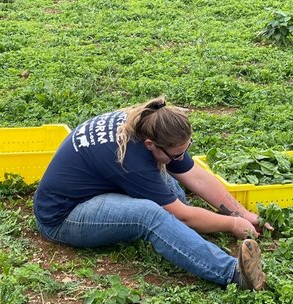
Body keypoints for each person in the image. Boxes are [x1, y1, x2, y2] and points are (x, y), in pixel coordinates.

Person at [33, 97, 273, 290]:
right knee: (151, 215)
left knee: (172, 192)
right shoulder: (132, 159)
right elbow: (183, 215)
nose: (180, 158)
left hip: (98, 187)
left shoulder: (148, 124)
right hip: (63, 216)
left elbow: (196, 176)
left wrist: (242, 213)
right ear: (151, 145)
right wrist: (231, 224)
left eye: (185, 151)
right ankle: (233, 274)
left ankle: (183, 239)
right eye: (175, 155)